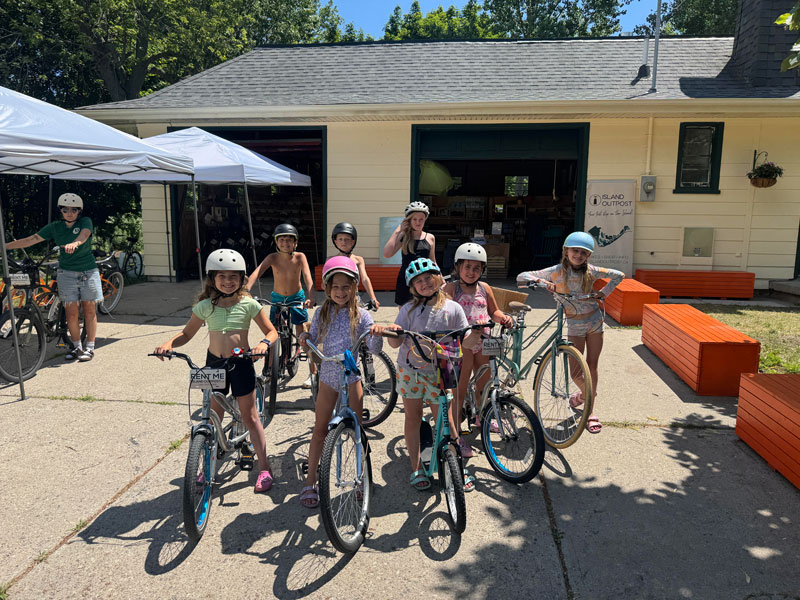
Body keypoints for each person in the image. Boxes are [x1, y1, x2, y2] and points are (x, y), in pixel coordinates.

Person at [154, 249, 278, 493]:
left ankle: (264, 467)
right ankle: (206, 468)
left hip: (241, 362)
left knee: (251, 417)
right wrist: (169, 343)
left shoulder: (249, 304)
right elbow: (187, 334)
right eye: (222, 276)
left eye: (234, 276)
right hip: (213, 365)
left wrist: (263, 344)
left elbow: (271, 331)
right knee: (213, 418)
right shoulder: (204, 306)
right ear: (212, 278)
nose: (228, 281)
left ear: (242, 278)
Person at [297, 256, 388, 508]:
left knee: (358, 429)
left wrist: (376, 334)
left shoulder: (362, 315)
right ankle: (311, 479)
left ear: (355, 287)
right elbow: (313, 338)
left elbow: (372, 346)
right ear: (327, 288)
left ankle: (361, 477)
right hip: (328, 375)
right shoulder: (321, 313)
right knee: (320, 429)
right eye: (335, 287)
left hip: (351, 376)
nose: (340, 292)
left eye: (346, 286)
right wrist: (306, 337)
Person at [385, 257, 481, 492]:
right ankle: (416, 465)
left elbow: (465, 340)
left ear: (439, 278)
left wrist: (476, 333)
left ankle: (456, 465)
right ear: (412, 287)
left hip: (441, 371)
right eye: (418, 281)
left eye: (428, 277)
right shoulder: (408, 310)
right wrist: (394, 332)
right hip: (412, 373)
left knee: (447, 421)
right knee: (413, 417)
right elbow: (395, 344)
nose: (425, 283)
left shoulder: (453, 308)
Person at [516, 232, 624, 434]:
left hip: (595, 322)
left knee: (592, 365)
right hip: (574, 325)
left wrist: (604, 293)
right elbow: (521, 277)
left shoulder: (592, 271)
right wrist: (542, 282)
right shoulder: (556, 272)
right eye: (575, 251)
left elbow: (619, 275)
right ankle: (586, 394)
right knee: (575, 371)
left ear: (588, 256)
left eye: (584, 253)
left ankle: (589, 410)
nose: (579, 255)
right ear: (566, 251)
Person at [6, 193, 102, 361]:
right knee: (71, 313)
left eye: (74, 210)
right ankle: (77, 347)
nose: (70, 213)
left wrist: (75, 243)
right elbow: (31, 239)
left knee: (89, 310)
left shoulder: (85, 222)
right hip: (66, 273)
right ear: (61, 210)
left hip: (88, 271)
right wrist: (4, 246)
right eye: (66, 210)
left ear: (79, 211)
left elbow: (84, 235)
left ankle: (90, 347)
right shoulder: (55, 227)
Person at [443, 243, 513, 458]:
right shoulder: (450, 289)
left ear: (482, 270)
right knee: (459, 390)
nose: (471, 272)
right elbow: (443, 314)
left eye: (476, 268)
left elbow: (494, 311)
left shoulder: (485, 288)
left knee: (484, 384)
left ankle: (481, 416)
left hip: (483, 341)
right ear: (458, 267)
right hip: (461, 345)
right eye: (467, 267)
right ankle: (456, 434)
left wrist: (503, 318)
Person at [246, 223, 317, 388]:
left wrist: (311, 296)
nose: (286, 243)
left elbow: (307, 277)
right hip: (277, 299)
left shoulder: (300, 257)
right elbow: (257, 272)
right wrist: (246, 291)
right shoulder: (272, 257)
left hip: (296, 298)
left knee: (302, 336)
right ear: (277, 242)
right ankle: (269, 370)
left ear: (295, 243)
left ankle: (313, 372)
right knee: (273, 334)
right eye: (282, 240)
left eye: (289, 240)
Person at [382, 201, 437, 307]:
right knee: (404, 312)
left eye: (421, 219)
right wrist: (399, 230)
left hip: (424, 279)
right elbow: (387, 254)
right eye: (414, 219)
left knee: (425, 310)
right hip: (406, 279)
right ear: (409, 220)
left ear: (425, 219)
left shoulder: (430, 237)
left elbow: (432, 260)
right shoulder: (404, 236)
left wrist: (440, 277)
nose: (418, 222)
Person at [331, 222, 380, 309]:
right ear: (335, 241)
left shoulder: (358, 260)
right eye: (340, 239)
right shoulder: (331, 260)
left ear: (353, 241)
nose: (343, 242)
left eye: (347, 239)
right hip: (337, 297)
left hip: (354, 297)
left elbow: (365, 279)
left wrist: (373, 298)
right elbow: (326, 282)